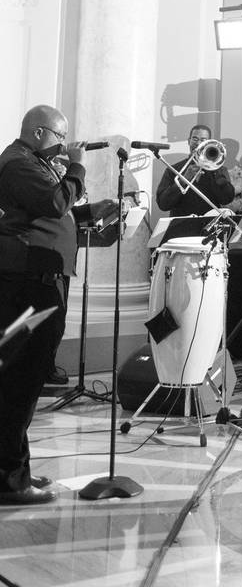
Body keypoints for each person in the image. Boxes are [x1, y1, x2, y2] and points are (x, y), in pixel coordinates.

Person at [0, 105, 119, 504]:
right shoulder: (17, 163)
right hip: (27, 285)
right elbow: (53, 203)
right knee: (20, 380)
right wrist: (78, 167)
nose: (64, 146)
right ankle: (8, 481)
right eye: (59, 137)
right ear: (37, 132)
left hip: (41, 280)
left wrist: (88, 212)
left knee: (27, 380)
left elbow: (55, 213)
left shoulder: (33, 162)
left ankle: (18, 470)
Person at [155, 124, 235, 216]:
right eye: (195, 139)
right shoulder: (173, 170)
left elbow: (227, 199)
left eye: (203, 140)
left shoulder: (219, 170)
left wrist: (216, 173)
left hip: (209, 226)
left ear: (209, 143)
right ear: (189, 141)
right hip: (181, 226)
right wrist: (183, 180)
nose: (198, 144)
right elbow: (163, 204)